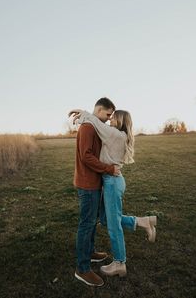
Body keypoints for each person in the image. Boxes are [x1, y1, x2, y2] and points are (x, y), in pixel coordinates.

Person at [69, 108, 157, 278]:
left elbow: (96, 123)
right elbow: (96, 124)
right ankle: (143, 221)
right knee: (105, 219)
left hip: (112, 182)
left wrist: (84, 113)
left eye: (113, 117)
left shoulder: (116, 135)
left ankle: (119, 263)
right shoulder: (117, 134)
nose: (110, 120)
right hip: (111, 180)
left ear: (121, 120)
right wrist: (85, 116)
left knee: (113, 225)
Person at [69, 97, 121, 287]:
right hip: (88, 183)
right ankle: (82, 269)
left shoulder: (93, 124)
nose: (108, 119)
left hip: (93, 182)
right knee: (86, 223)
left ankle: (89, 253)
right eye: (107, 114)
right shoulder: (88, 127)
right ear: (99, 110)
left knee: (91, 222)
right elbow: (86, 156)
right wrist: (109, 169)